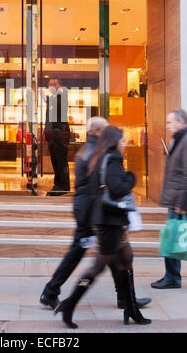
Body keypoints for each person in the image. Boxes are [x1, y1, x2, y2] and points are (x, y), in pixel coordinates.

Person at [40, 117, 151, 311]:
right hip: (91, 211)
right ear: (98, 131)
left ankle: (125, 299)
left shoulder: (90, 149)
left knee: (111, 254)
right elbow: (100, 187)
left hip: (89, 210)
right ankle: (52, 293)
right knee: (87, 255)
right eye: (106, 130)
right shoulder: (96, 152)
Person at [151, 108, 187, 289]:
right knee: (173, 237)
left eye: (170, 122)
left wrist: (182, 202)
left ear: (181, 122)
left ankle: (172, 278)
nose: (167, 125)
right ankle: (172, 276)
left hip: (180, 200)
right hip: (176, 198)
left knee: (174, 237)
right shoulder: (177, 140)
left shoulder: (185, 141)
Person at [44, 77, 70, 196]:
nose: (51, 87)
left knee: (61, 161)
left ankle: (63, 186)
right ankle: (57, 184)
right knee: (55, 161)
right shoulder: (53, 98)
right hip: (52, 135)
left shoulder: (61, 96)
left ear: (59, 85)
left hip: (60, 135)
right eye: (50, 85)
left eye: (54, 84)